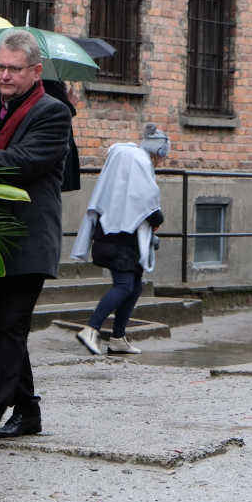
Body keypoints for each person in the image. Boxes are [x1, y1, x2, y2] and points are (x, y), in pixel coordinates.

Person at [0, 29, 70, 446]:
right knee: (1, 327)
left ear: (35, 71)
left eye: (13, 69)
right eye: (0, 67)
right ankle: (28, 411)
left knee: (11, 326)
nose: (4, 75)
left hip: (27, 237)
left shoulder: (53, 112)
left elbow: (24, 161)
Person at [71, 124, 168, 355]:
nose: (162, 162)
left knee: (134, 286)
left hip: (117, 236)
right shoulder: (139, 162)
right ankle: (91, 328)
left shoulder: (120, 171)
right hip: (121, 240)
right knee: (125, 285)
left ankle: (117, 337)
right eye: (162, 156)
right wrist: (157, 217)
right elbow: (147, 203)